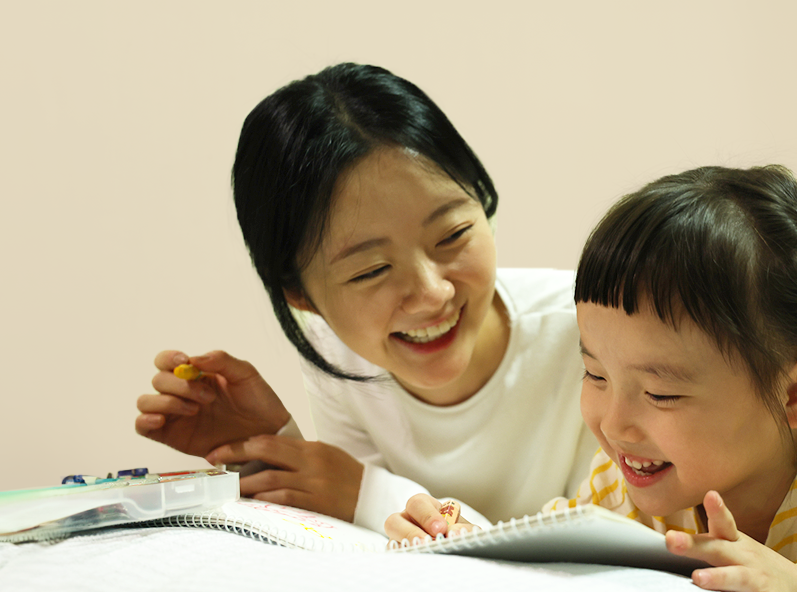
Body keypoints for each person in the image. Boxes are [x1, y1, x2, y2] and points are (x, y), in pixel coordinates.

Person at [389, 165, 797, 591]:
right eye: (594, 373)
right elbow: (563, 551)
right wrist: (466, 538)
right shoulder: (633, 472)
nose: (614, 423)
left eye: (661, 392)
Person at [134, 62, 601, 531]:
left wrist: (363, 492)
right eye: (372, 270)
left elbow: (607, 544)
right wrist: (272, 448)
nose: (432, 294)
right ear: (300, 294)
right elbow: (371, 540)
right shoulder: (336, 354)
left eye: (452, 234)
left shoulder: (592, 330)